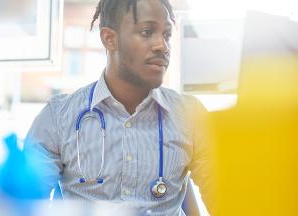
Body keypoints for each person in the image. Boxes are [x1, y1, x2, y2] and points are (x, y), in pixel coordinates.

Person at [25, 0, 212, 215]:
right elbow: (24, 203)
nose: (163, 46)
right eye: (147, 31)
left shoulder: (191, 116)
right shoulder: (58, 117)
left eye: (167, 35)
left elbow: (227, 199)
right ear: (109, 38)